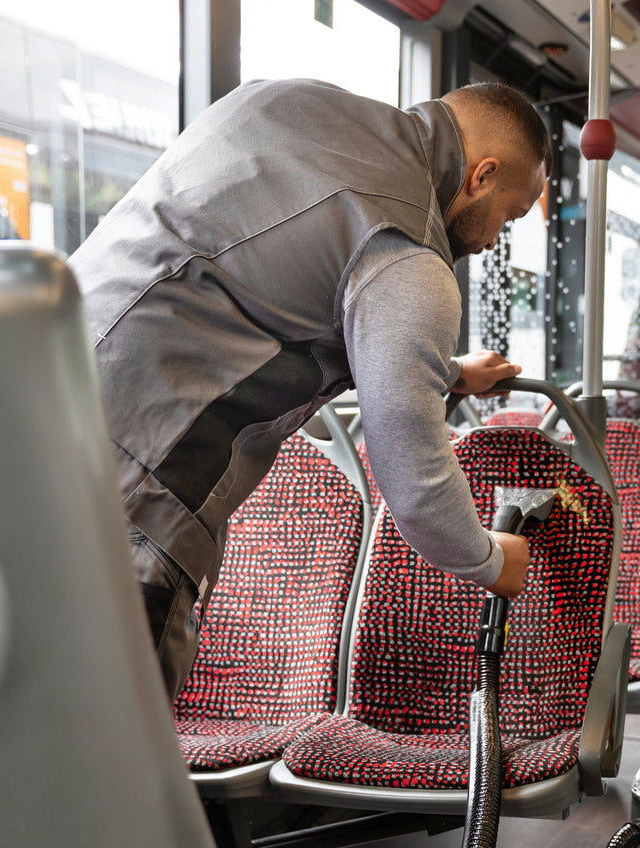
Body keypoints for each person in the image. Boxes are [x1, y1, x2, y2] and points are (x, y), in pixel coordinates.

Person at [69, 78, 552, 698]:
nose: (490, 243)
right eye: (510, 216)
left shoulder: (279, 102)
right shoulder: (408, 251)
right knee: (110, 740)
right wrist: (489, 559)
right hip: (133, 489)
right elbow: (413, 476)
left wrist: (454, 372)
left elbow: (255, 287)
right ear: (483, 176)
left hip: (24, 401)